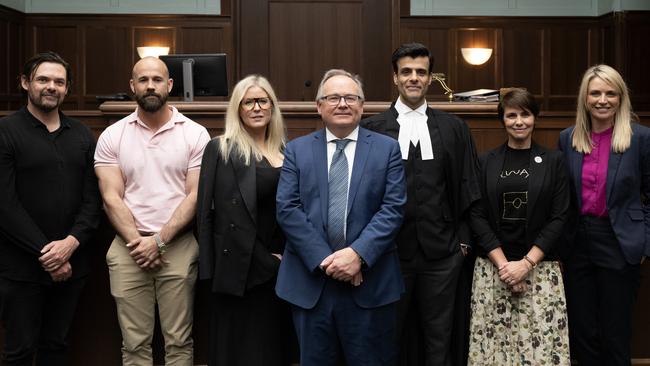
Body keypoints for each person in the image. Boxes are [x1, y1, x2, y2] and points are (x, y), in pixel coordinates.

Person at [275, 69, 407, 365]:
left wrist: (357, 255)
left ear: (362, 106)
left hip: (370, 285)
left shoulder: (387, 150)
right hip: (311, 286)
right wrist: (330, 261)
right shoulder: (297, 150)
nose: (343, 104)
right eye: (333, 97)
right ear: (319, 106)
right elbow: (287, 209)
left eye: (351, 97)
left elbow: (393, 208)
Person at [361, 42, 481, 366]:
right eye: (407, 72)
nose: (414, 78)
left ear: (430, 79)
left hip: (443, 256)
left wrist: (464, 243)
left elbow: (469, 188)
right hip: (388, 256)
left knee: (439, 341)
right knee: (388, 337)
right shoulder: (371, 129)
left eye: (421, 72)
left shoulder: (454, 129)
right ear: (395, 78)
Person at [94, 56, 210, 366]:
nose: (150, 86)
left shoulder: (195, 134)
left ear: (169, 85)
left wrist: (158, 241)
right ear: (132, 86)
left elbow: (196, 195)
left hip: (179, 247)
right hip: (128, 248)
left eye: (157, 79)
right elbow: (110, 197)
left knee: (179, 343)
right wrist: (139, 243)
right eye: (142, 80)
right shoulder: (112, 135)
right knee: (134, 345)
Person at [0, 51, 101, 365]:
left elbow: (93, 200)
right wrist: (49, 254)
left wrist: (70, 245)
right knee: (19, 351)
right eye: (43, 79)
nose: (51, 87)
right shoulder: (6, 132)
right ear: (26, 83)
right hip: (20, 269)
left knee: (57, 347)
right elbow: (5, 205)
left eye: (59, 82)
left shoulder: (82, 135)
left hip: (73, 265)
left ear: (67, 89)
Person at [196, 75, 296, 365]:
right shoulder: (221, 149)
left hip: (282, 269)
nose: (256, 107)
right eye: (248, 101)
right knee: (237, 352)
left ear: (272, 107)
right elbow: (212, 214)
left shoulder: (288, 152)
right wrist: (266, 262)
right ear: (238, 108)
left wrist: (285, 260)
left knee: (272, 349)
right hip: (238, 270)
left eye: (262, 101)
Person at [468, 88, 571, 365]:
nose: (519, 121)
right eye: (511, 115)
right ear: (502, 120)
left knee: (541, 352)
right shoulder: (485, 161)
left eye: (525, 114)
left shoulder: (554, 161)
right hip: (493, 271)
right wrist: (505, 267)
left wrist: (525, 265)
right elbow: (476, 215)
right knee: (494, 350)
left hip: (540, 270)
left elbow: (559, 216)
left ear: (534, 118)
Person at [559, 64, 650, 366]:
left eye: (611, 93)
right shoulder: (568, 138)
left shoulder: (640, 138)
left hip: (620, 242)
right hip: (578, 245)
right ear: (584, 98)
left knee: (615, 332)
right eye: (595, 93)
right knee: (583, 332)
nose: (602, 100)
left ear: (621, 98)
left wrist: (644, 244)